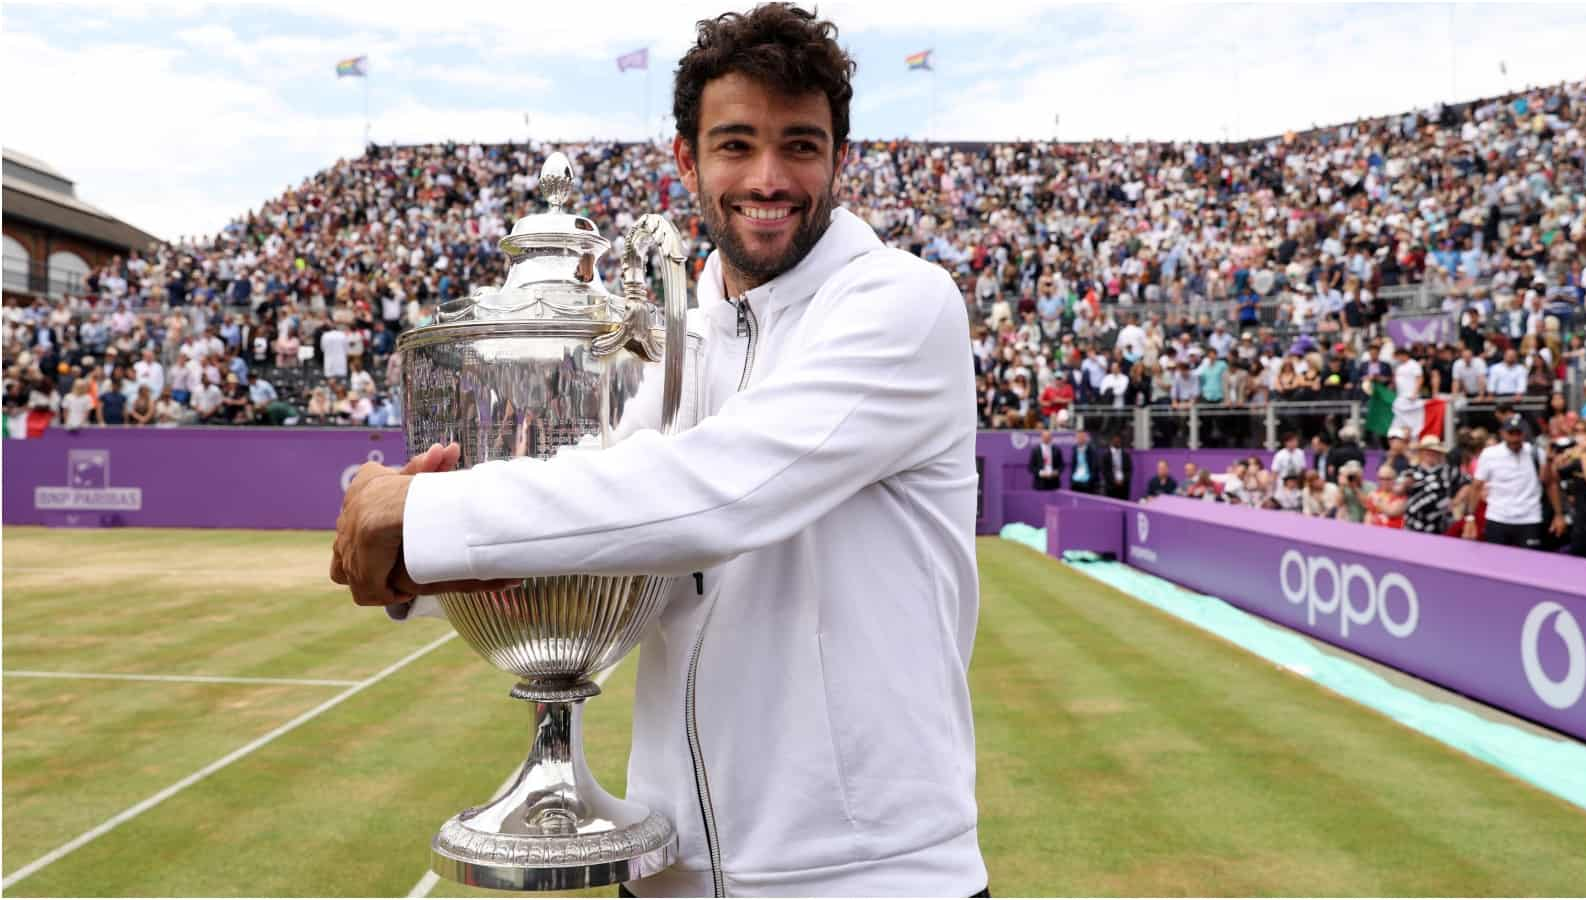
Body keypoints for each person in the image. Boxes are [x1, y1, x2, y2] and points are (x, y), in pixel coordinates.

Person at [331, 6, 988, 896]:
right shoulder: (691, 332)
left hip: (866, 877)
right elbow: (611, 535)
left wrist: (428, 519)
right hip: (669, 866)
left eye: (800, 144)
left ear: (840, 158)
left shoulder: (903, 304)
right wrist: (421, 562)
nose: (768, 176)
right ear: (687, 159)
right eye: (735, 143)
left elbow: (716, 497)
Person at [1464, 414, 1547, 549]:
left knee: (1530, 565)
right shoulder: (1490, 454)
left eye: (1518, 433)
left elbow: (1549, 483)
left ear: (1524, 434)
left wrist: (1559, 514)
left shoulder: (1536, 453)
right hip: (1498, 517)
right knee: (1495, 565)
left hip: (1530, 518)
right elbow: (1476, 486)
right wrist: (1470, 518)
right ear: (1502, 433)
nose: (1514, 438)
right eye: (1511, 433)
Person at [1400, 435, 1455, 535]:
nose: (1431, 454)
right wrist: (1406, 484)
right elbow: (1399, 490)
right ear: (1422, 452)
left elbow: (1466, 484)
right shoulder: (1412, 469)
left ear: (1439, 453)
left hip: (1439, 524)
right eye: (1427, 451)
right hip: (1414, 521)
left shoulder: (1447, 471)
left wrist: (1454, 502)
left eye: (1434, 451)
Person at [1100, 431, 1132, 499]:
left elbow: (1129, 470)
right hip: (1110, 487)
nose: (1117, 441)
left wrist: (1122, 480)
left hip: (1124, 487)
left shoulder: (1126, 455)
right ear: (1111, 441)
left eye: (1119, 439)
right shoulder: (1106, 455)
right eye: (1115, 439)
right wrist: (1114, 481)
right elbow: (1104, 471)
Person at [1068, 428, 1100, 495]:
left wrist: (1090, 480)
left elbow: (1094, 467)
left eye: (1082, 437)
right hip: (1076, 481)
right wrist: (1072, 478)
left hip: (1087, 482)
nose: (1080, 439)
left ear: (1085, 438)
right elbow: (1074, 465)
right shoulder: (1074, 449)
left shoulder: (1092, 450)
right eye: (1078, 437)